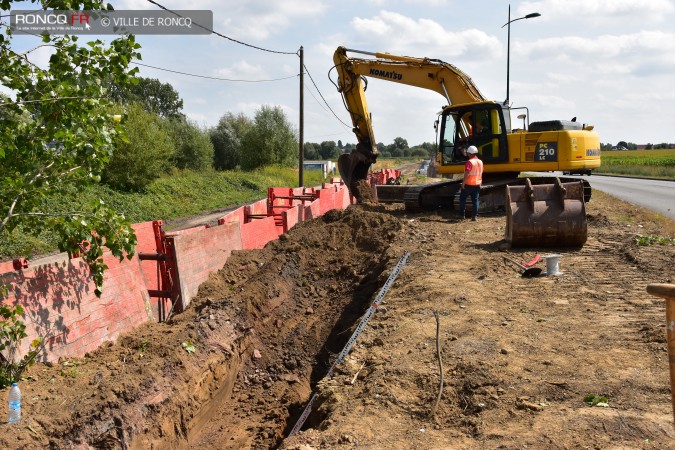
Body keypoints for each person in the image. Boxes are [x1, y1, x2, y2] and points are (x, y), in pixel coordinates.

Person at [458, 145, 483, 221]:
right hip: (477, 184)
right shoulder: (480, 162)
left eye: (468, 152)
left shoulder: (470, 162)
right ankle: (474, 216)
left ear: (470, 153)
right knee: (475, 201)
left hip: (468, 184)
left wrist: (463, 183)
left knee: (462, 199)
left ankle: (462, 215)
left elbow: (467, 172)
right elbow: (480, 173)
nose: (467, 154)